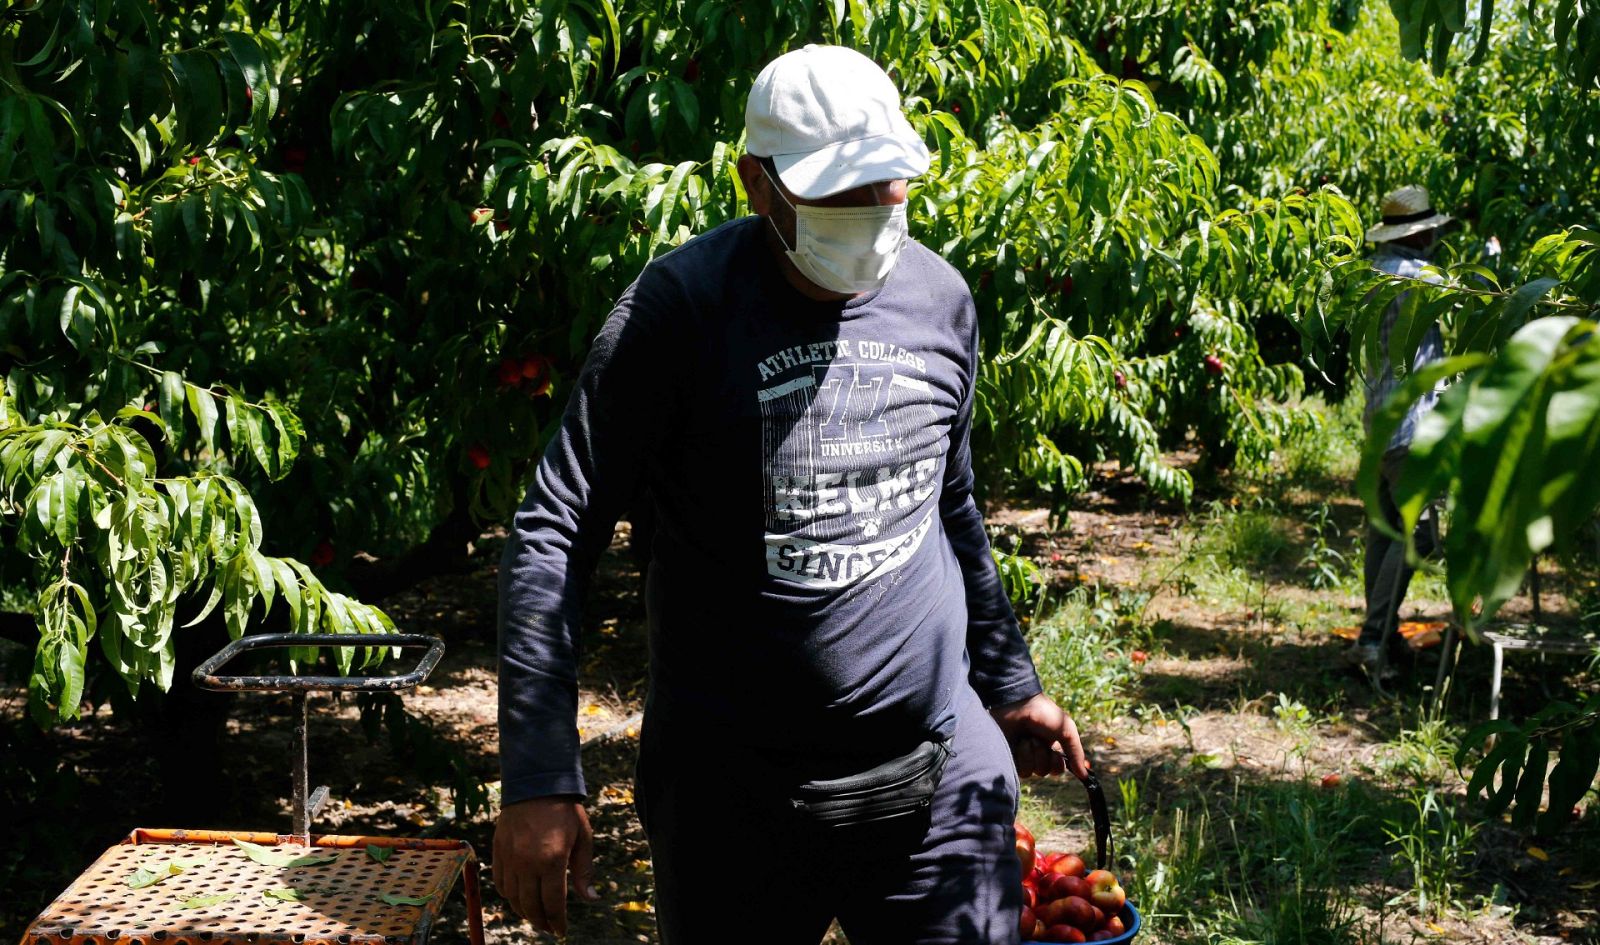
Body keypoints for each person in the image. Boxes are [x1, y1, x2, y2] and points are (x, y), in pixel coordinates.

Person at [493, 44, 1090, 944]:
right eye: (835, 190)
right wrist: (540, 770)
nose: (869, 210)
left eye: (884, 181)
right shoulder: (682, 310)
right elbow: (558, 522)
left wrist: (1009, 683)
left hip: (931, 775)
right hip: (735, 799)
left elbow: (949, 504)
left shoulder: (941, 299)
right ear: (757, 185)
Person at [1347, 185, 1451, 680]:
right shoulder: (1424, 276)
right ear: (1423, 231)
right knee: (1418, 537)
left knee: (1385, 534)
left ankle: (1380, 638)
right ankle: (1372, 640)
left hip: (1380, 424)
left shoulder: (1368, 276)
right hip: (1417, 428)